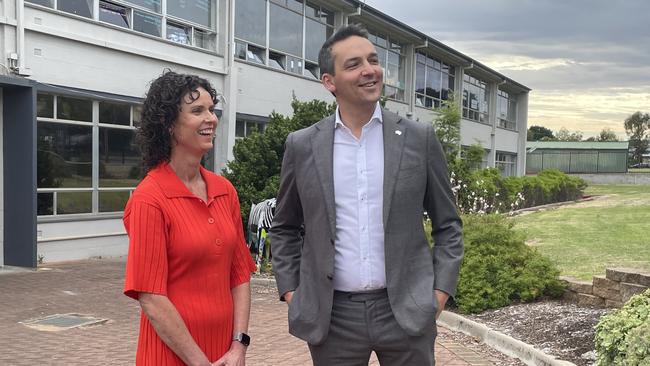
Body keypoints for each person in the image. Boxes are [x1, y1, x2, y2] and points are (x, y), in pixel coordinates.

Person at [270, 24, 464, 365]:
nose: (369, 70)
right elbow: (285, 226)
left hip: (406, 310)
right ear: (330, 81)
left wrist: (438, 293)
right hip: (332, 318)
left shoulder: (419, 138)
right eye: (354, 64)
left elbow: (448, 224)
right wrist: (292, 293)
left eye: (373, 60)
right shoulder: (303, 146)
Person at [123, 71, 256, 366]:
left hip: (226, 353)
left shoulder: (225, 192)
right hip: (171, 356)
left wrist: (239, 345)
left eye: (211, 109)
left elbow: (239, 275)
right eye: (197, 111)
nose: (211, 118)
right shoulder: (150, 198)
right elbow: (152, 297)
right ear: (169, 124)